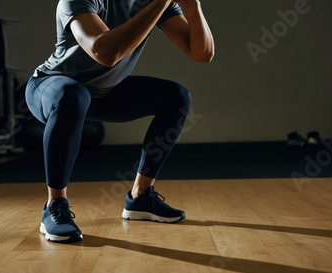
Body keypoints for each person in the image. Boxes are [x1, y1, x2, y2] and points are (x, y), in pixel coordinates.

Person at [25, 0, 214, 243]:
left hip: (103, 93)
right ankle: (54, 206)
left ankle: (141, 197)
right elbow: (105, 53)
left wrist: (192, 7)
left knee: (176, 96)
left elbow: (202, 54)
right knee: (73, 94)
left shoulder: (153, 3)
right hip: (50, 88)